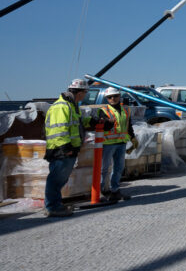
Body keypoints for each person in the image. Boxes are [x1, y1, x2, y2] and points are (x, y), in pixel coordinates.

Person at [43, 79, 106, 217]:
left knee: (60, 179)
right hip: (61, 149)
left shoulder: (72, 105)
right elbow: (59, 129)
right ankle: (52, 207)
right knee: (56, 179)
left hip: (67, 149)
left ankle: (55, 204)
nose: (85, 95)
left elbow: (78, 122)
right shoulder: (62, 106)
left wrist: (93, 120)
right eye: (85, 92)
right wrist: (66, 148)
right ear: (80, 92)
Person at [101, 87, 137, 202]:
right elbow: (102, 126)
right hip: (108, 143)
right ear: (106, 98)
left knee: (118, 168)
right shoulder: (103, 110)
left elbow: (128, 125)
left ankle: (115, 190)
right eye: (110, 97)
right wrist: (107, 122)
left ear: (119, 96)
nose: (113, 99)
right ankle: (103, 191)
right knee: (104, 168)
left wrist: (133, 137)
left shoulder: (125, 110)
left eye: (115, 96)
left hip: (121, 142)